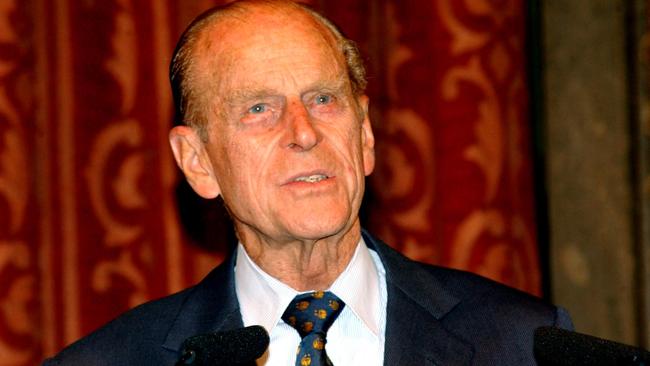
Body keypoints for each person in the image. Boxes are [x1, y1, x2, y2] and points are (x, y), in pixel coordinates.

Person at [43, 1, 572, 365]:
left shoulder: (523, 344)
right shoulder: (114, 360)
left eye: (323, 99)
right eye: (258, 109)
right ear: (197, 161)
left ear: (364, 135)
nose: (304, 132)